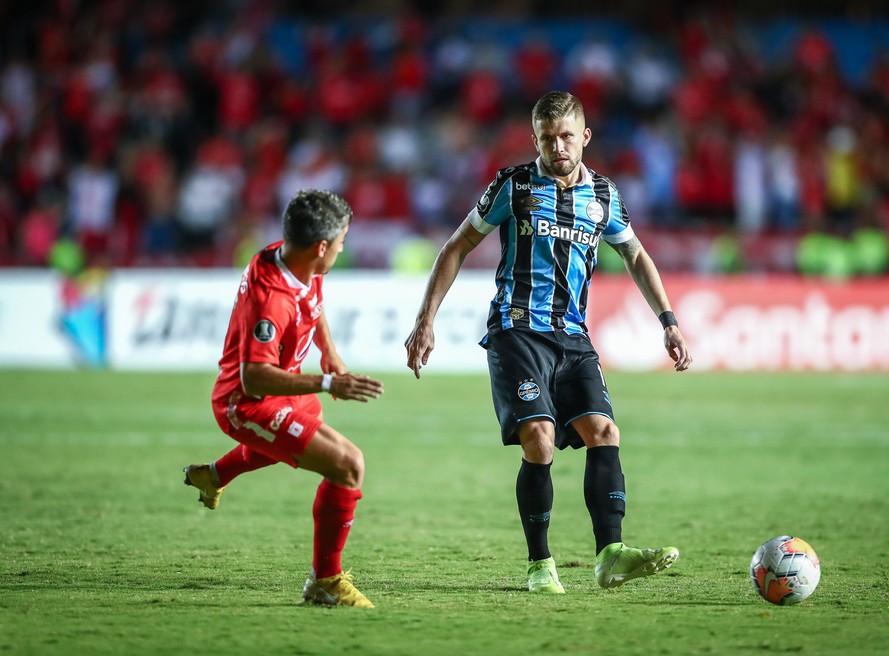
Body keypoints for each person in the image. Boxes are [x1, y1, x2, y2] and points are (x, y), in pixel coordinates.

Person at [404, 91, 692, 594]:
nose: (557, 148)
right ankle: (541, 564)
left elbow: (637, 255)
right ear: (534, 139)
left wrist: (667, 319)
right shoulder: (513, 186)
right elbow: (457, 246)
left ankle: (611, 556)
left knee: (604, 431)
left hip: (573, 337)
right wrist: (426, 318)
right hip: (517, 330)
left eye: (565, 137)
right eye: (546, 139)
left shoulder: (603, 196)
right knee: (538, 438)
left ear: (584, 137)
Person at [183, 189, 384, 608]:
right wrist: (328, 384)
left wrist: (329, 353)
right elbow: (254, 377)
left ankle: (214, 475)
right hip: (248, 403)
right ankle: (325, 580)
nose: (343, 249)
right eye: (342, 242)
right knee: (348, 465)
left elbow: (312, 295)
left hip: (284, 389)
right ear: (322, 247)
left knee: (301, 438)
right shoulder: (270, 298)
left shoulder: (290, 256)